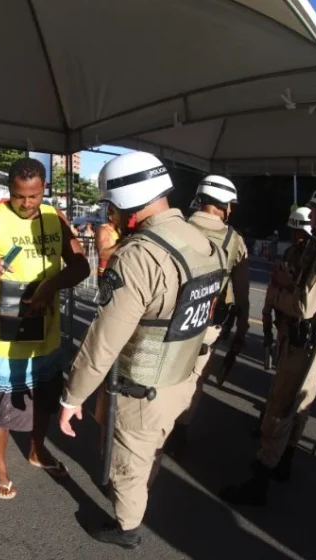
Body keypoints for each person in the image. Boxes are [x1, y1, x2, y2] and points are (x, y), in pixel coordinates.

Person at [59, 152, 225, 548]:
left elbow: (105, 339)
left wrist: (73, 396)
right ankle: (137, 497)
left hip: (142, 384)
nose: (110, 215)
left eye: (111, 206)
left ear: (126, 203)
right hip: (181, 376)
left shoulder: (139, 256)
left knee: (129, 461)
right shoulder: (204, 240)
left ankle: (126, 528)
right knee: (152, 447)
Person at [0, 158, 90, 499]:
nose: (27, 204)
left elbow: (81, 267)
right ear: (8, 191)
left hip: (48, 333)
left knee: (44, 400)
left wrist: (50, 285)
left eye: (34, 196)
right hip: (9, 334)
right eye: (18, 196)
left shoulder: (54, 218)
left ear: (44, 188)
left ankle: (36, 450)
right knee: (4, 407)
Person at [220, 186, 316, 506]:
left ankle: (261, 478)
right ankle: (283, 463)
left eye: (315, 212)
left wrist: (280, 295)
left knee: (281, 407)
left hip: (306, 343)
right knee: (299, 404)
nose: (312, 217)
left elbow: (305, 304)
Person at [166, 174, 250, 452]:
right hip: (209, 323)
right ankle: (179, 429)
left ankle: (160, 425)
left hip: (171, 318)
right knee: (194, 377)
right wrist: (243, 325)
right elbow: (241, 289)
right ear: (224, 205)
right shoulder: (234, 239)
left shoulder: (175, 227)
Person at [252, 206, 313, 437]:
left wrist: (284, 283)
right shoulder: (292, 254)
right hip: (285, 322)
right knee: (281, 376)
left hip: (296, 326)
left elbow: (304, 296)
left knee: (286, 382)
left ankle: (273, 426)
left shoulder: (311, 258)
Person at [96, 203, 122, 277]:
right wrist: (124, 242)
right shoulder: (104, 229)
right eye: (120, 214)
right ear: (111, 216)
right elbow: (103, 255)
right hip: (106, 274)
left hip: (116, 272)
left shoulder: (119, 230)